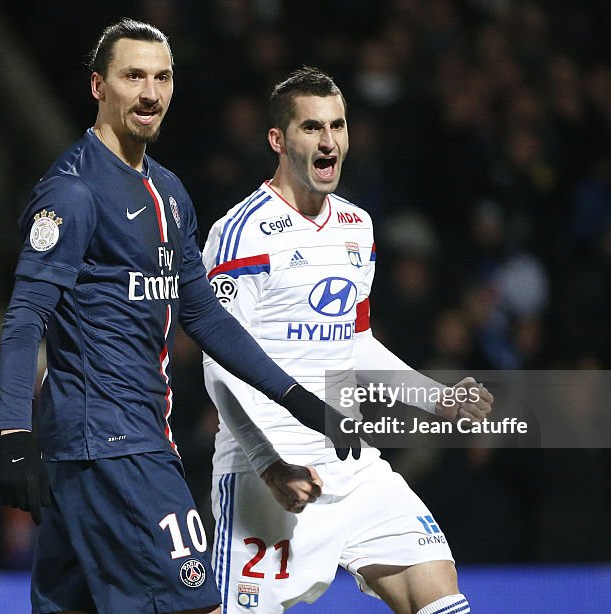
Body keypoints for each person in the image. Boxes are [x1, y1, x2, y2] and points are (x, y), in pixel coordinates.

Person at [0, 20, 362, 614]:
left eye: (161, 77)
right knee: (197, 606)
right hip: (110, 444)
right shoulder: (73, 193)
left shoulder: (167, 192)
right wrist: (13, 435)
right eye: (132, 76)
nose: (149, 92)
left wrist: (302, 403)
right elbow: (24, 318)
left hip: (121, 441)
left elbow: (206, 319)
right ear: (98, 86)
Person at [202, 67, 494, 614]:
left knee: (440, 595)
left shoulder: (356, 227)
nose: (329, 141)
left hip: (352, 464)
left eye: (337, 126)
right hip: (266, 473)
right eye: (312, 128)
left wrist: (437, 398)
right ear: (278, 140)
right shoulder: (240, 231)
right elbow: (218, 364)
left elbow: (353, 343)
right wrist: (268, 462)